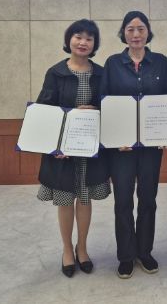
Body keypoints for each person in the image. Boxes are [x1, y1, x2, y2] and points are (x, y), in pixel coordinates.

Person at [100, 11, 167, 279]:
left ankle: (144, 251)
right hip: (121, 149)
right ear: (123, 33)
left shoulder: (161, 63)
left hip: (151, 148)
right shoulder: (112, 63)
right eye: (130, 29)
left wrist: (166, 134)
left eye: (141, 29)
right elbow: (104, 101)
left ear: (148, 32)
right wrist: (114, 138)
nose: (135, 34)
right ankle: (125, 255)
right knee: (122, 201)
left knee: (148, 199)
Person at [36, 19, 111, 278]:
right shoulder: (55, 72)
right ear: (69, 40)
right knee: (65, 199)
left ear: (94, 44)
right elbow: (44, 110)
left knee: (85, 198)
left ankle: (83, 248)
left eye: (89, 38)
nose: (83, 42)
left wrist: (96, 110)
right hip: (63, 151)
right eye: (78, 36)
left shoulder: (101, 73)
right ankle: (67, 249)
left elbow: (111, 108)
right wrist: (56, 141)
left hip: (90, 149)